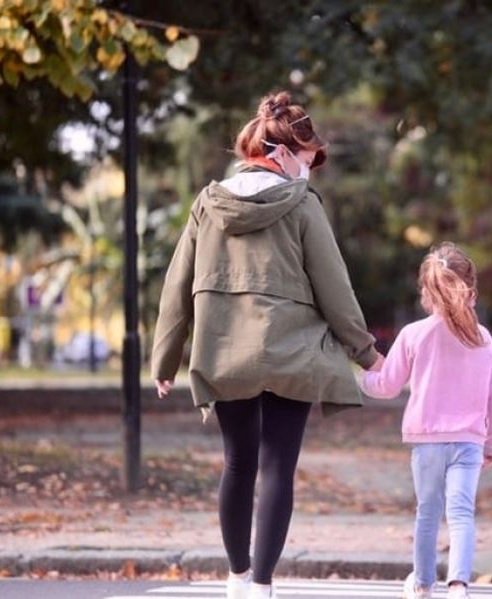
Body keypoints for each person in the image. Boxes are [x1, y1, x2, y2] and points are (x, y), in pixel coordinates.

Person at [150, 91, 384, 599]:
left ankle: (236, 577)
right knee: (278, 465)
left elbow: (177, 283)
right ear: (282, 153)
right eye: (306, 159)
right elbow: (334, 286)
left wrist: (165, 359)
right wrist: (365, 353)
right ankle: (261, 585)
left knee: (238, 462)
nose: (309, 170)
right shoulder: (302, 205)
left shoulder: (207, 204)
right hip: (291, 353)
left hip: (225, 351)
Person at [359, 242, 492, 599]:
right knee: (461, 514)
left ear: (427, 292)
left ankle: (423, 583)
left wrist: (362, 376)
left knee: (427, 513)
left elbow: (387, 386)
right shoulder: (482, 338)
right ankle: (458, 584)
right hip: (469, 442)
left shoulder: (413, 335)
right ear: (470, 289)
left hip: (426, 442)